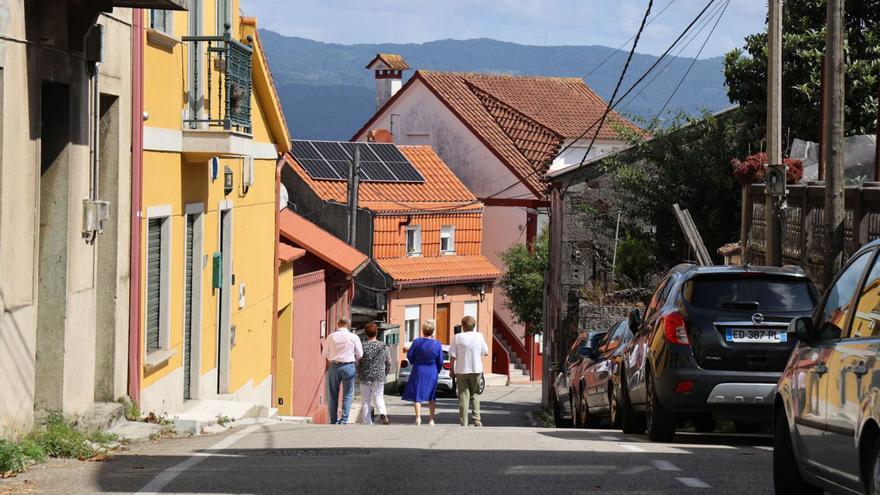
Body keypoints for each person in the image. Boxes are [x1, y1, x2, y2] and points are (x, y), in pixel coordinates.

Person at [321, 316, 363, 424]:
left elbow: (324, 354)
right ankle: (344, 420)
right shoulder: (353, 337)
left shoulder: (331, 337)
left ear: (338, 324)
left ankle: (333, 420)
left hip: (334, 367)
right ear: (348, 325)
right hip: (348, 366)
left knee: (333, 394)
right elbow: (360, 354)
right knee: (348, 394)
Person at [401, 320, 443, 425]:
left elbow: (409, 356)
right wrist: (437, 370)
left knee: (417, 394)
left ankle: (418, 418)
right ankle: (431, 419)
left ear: (423, 330)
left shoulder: (417, 342)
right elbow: (441, 360)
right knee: (431, 396)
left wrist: (415, 362)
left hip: (418, 370)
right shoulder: (437, 344)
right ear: (432, 331)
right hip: (432, 371)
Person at [449, 316, 488, 427]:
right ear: (474, 326)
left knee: (463, 396)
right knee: (475, 394)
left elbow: (452, 355)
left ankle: (464, 422)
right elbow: (485, 351)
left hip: (461, 370)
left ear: (463, 326)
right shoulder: (479, 336)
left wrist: (451, 369)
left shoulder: (457, 337)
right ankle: (476, 419)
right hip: (476, 369)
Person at [357, 322, 392, 425]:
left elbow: (358, 361)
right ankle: (383, 413)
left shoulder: (362, 346)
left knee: (366, 400)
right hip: (379, 376)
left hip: (364, 376)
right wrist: (385, 373)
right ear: (376, 333)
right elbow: (389, 362)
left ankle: (367, 422)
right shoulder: (383, 346)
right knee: (379, 396)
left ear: (366, 333)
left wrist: (358, 373)